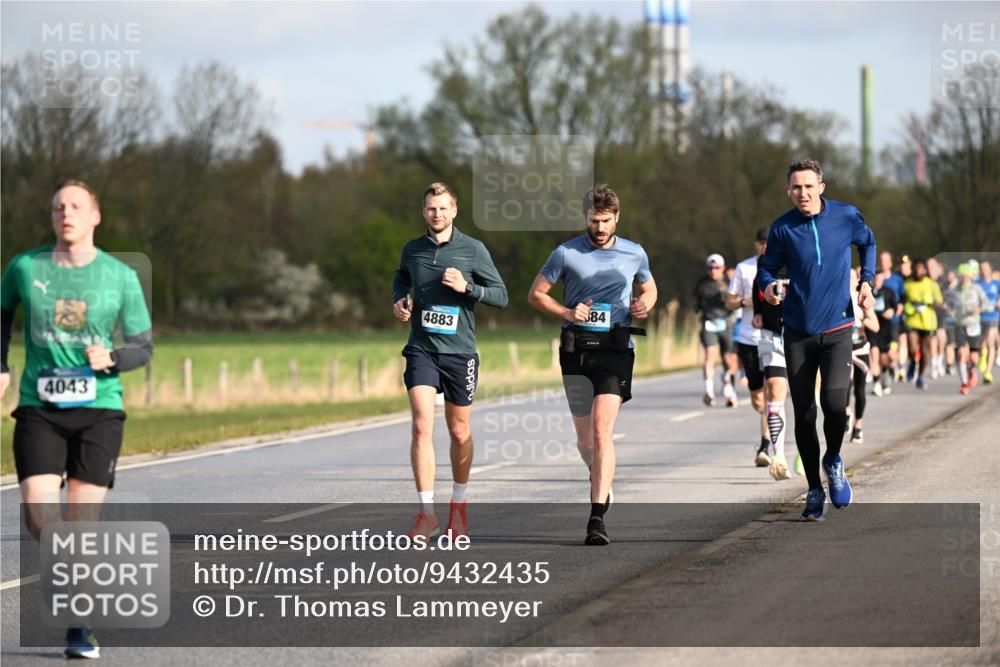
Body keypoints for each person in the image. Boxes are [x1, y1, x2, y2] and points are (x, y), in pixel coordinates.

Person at [0, 180, 153, 659]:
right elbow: (1, 314)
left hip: (99, 410)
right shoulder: (25, 267)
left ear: (95, 216)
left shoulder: (119, 276)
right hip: (40, 409)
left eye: (76, 206)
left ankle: (80, 623)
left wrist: (110, 356)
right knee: (41, 518)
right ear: (52, 217)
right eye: (58, 207)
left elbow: (142, 348)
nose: (66, 213)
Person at [528, 184, 656, 545]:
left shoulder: (634, 253)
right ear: (585, 217)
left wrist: (644, 305)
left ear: (616, 218)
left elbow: (649, 288)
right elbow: (535, 294)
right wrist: (568, 312)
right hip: (576, 350)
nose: (599, 228)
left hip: (615, 350)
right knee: (585, 440)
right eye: (593, 220)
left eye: (605, 221)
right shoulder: (566, 253)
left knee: (602, 430)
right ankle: (598, 473)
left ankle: (596, 517)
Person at [758, 158, 877, 521]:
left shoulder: (845, 216)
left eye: (809, 186)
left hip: (839, 327)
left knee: (835, 405)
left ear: (821, 187)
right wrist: (768, 288)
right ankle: (813, 488)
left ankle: (834, 460)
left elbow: (868, 243)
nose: (803, 193)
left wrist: (867, 282)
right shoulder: (782, 228)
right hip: (797, 332)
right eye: (796, 187)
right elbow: (767, 269)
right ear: (788, 190)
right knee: (805, 415)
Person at [392, 182, 508, 540]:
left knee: (459, 431)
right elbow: (402, 276)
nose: (437, 214)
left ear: (454, 211)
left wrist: (468, 288)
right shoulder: (413, 249)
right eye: (431, 208)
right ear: (424, 212)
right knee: (421, 427)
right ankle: (426, 514)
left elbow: (501, 296)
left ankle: (459, 504)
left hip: (459, 353)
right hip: (422, 348)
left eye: (443, 208)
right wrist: (400, 298)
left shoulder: (473, 250)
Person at [726, 227, 771, 467]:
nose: (765, 246)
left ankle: (765, 442)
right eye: (761, 243)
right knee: (757, 397)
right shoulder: (744, 268)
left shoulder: (782, 266)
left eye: (768, 242)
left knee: (770, 389)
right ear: (756, 244)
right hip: (747, 338)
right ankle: (769, 419)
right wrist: (746, 301)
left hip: (771, 337)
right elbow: (729, 301)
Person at [751, 247, 793, 480]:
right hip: (771, 334)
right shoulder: (765, 265)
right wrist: (759, 310)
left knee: (804, 398)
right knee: (775, 388)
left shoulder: (802, 259)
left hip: (801, 335)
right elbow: (757, 287)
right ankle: (778, 457)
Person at [693, 254, 738, 407]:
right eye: (710, 268)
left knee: (728, 359)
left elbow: (736, 302)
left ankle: (729, 388)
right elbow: (696, 305)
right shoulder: (702, 284)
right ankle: (709, 392)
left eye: (717, 268)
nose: (713, 271)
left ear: (723, 268)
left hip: (726, 324)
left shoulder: (729, 282)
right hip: (709, 323)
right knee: (709, 355)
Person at [945, 263, 989, 394]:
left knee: (973, 357)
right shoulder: (954, 290)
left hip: (973, 324)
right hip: (960, 324)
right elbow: (948, 304)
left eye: (966, 276)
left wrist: (979, 309)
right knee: (960, 354)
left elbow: (986, 303)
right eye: (962, 276)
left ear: (970, 276)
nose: (964, 278)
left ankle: (972, 369)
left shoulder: (976, 288)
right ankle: (964, 383)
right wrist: (949, 310)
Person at [847, 268, 880, 444]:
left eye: (851, 276)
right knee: (844, 386)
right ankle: (846, 413)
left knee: (859, 390)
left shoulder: (862, 299)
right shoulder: (836, 298)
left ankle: (858, 426)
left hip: (860, 349)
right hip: (842, 349)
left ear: (857, 280)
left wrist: (862, 318)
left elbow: (875, 326)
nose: (848, 279)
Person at [902, 259, 944, 390]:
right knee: (912, 348)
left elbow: (940, 302)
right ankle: (912, 364)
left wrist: (930, 302)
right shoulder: (908, 284)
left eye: (921, 269)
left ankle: (920, 377)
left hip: (927, 322)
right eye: (916, 269)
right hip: (913, 319)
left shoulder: (931, 284)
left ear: (925, 270)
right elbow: (903, 299)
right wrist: (908, 306)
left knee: (925, 351)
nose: (919, 271)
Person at [868, 270, 899, 396]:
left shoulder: (888, 291)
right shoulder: (869, 291)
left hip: (886, 328)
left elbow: (895, 308)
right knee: (874, 356)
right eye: (875, 276)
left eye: (879, 275)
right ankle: (876, 384)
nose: (878, 278)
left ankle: (888, 372)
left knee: (886, 358)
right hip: (872, 328)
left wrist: (891, 312)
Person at [975, 260, 999, 384]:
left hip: (993, 316)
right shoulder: (977, 284)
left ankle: (988, 372)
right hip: (980, 317)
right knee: (981, 343)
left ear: (990, 269)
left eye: (986, 268)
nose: (984, 271)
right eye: (982, 268)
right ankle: (982, 356)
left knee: (990, 341)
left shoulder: (997, 283)